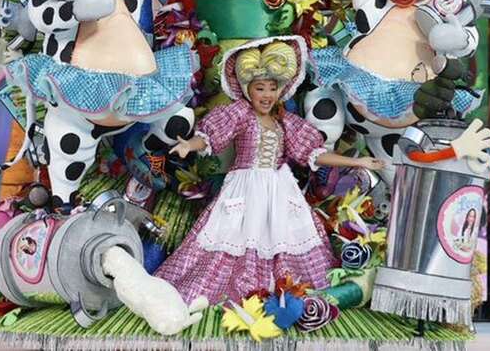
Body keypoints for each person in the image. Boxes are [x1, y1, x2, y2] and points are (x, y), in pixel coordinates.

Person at [154, 36, 385, 303]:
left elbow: (315, 154)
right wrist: (190, 145)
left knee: (285, 238)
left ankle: (285, 294)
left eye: (272, 88)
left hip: (280, 190)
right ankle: (233, 292)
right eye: (260, 88)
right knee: (231, 237)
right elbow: (212, 135)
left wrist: (359, 162)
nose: (267, 95)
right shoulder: (240, 113)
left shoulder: (286, 121)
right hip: (245, 187)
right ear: (247, 90)